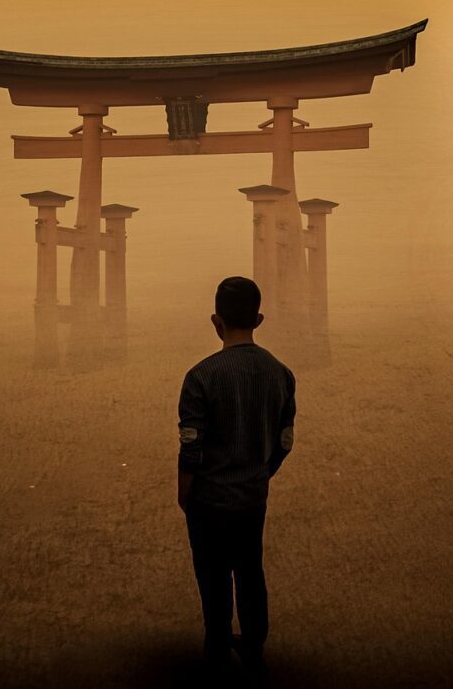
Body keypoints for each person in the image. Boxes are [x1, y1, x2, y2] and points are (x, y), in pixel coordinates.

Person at [177, 275, 296, 677]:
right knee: (249, 570)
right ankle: (254, 646)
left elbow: (191, 447)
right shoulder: (281, 373)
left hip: (208, 500)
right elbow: (284, 441)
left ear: (216, 321)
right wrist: (261, 474)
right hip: (251, 497)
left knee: (212, 574)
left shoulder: (201, 376)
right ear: (258, 319)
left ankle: (217, 645)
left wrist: (185, 494)